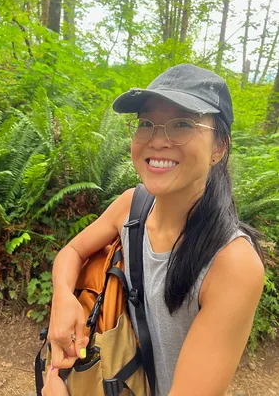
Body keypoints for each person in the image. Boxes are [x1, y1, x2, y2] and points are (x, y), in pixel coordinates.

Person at [43, 64, 264, 396]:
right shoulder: (131, 206)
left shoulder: (231, 265)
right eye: (146, 123)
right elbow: (72, 252)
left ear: (219, 147)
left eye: (182, 124)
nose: (158, 140)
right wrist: (62, 301)